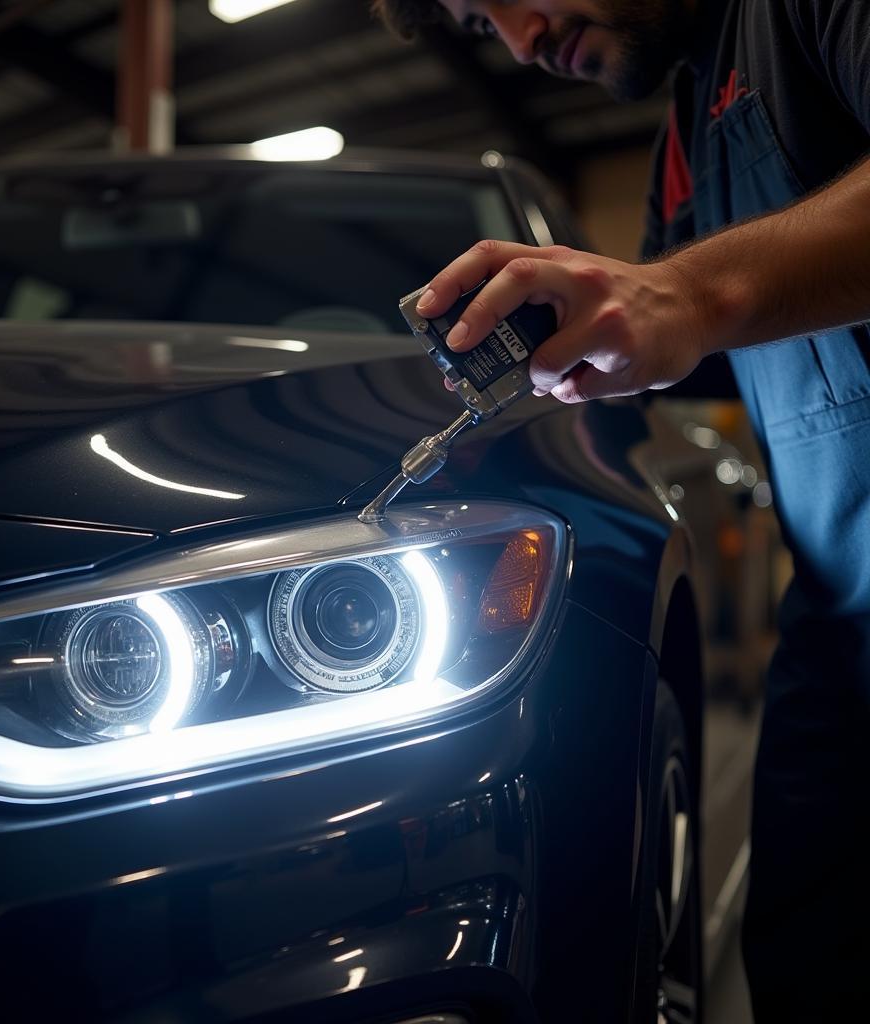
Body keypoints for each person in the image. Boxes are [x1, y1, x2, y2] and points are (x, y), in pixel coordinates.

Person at [371, 2, 870, 1021]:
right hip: (840, 626)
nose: (516, 41)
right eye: (478, 25)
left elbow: (692, 302)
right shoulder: (689, 132)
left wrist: (685, 293)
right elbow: (689, 350)